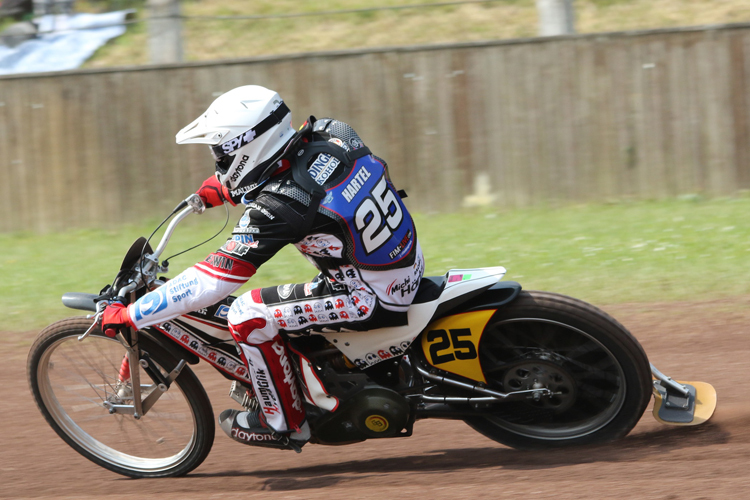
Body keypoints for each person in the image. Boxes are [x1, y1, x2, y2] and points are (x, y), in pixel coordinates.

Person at [101, 85, 424, 451]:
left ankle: (283, 423)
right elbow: (299, 173)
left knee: (246, 313)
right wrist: (227, 190)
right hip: (401, 264)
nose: (219, 163)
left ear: (246, 147)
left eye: (222, 154)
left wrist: (133, 315)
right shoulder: (335, 133)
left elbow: (214, 280)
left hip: (368, 296)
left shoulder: (280, 206)